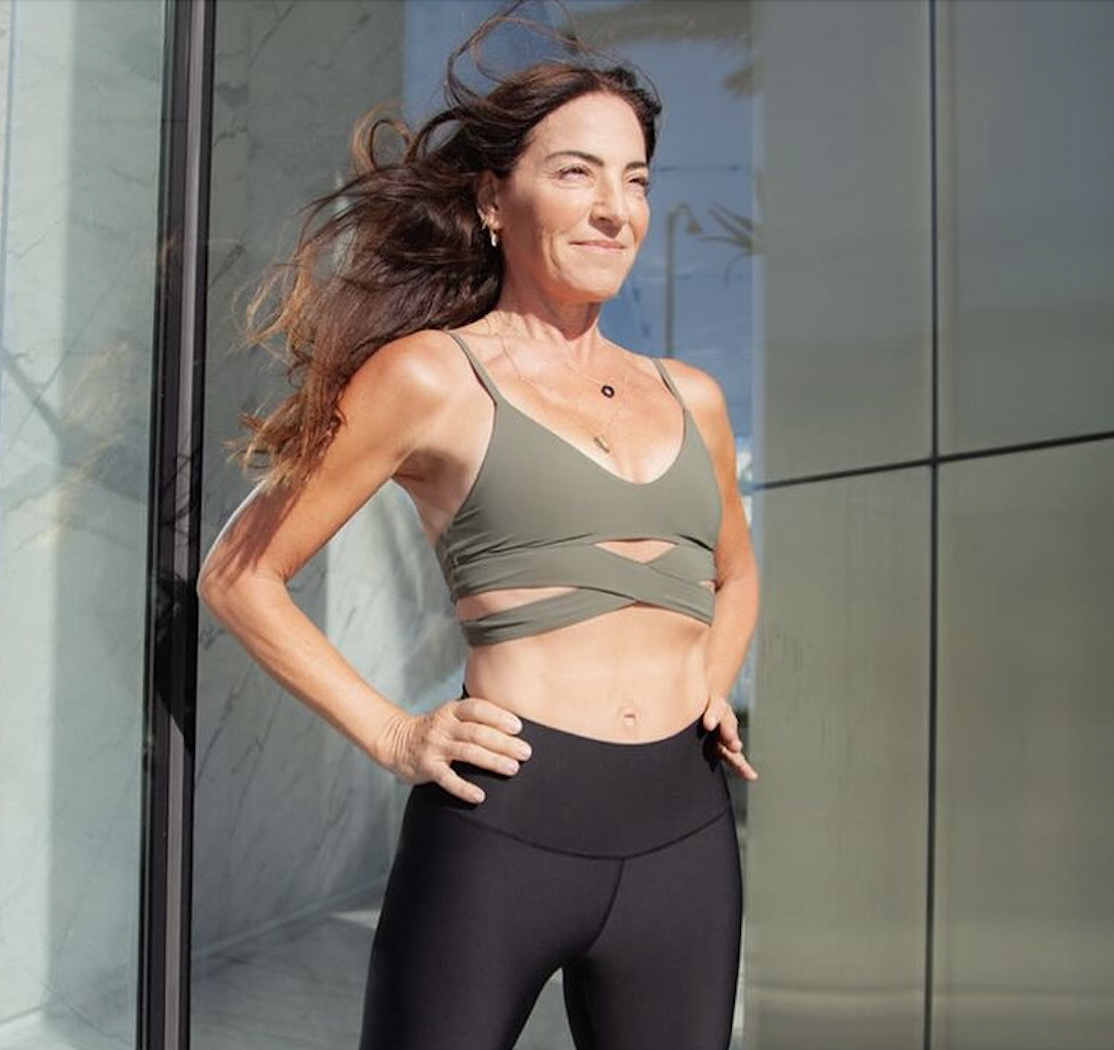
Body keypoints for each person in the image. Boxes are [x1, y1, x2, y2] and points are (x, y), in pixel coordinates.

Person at [198, 5, 759, 1048]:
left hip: (683, 833)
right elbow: (240, 575)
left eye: (636, 180)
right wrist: (393, 732)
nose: (615, 209)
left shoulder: (695, 397)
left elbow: (736, 571)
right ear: (494, 200)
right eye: (577, 173)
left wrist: (709, 679)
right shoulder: (428, 377)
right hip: (503, 828)